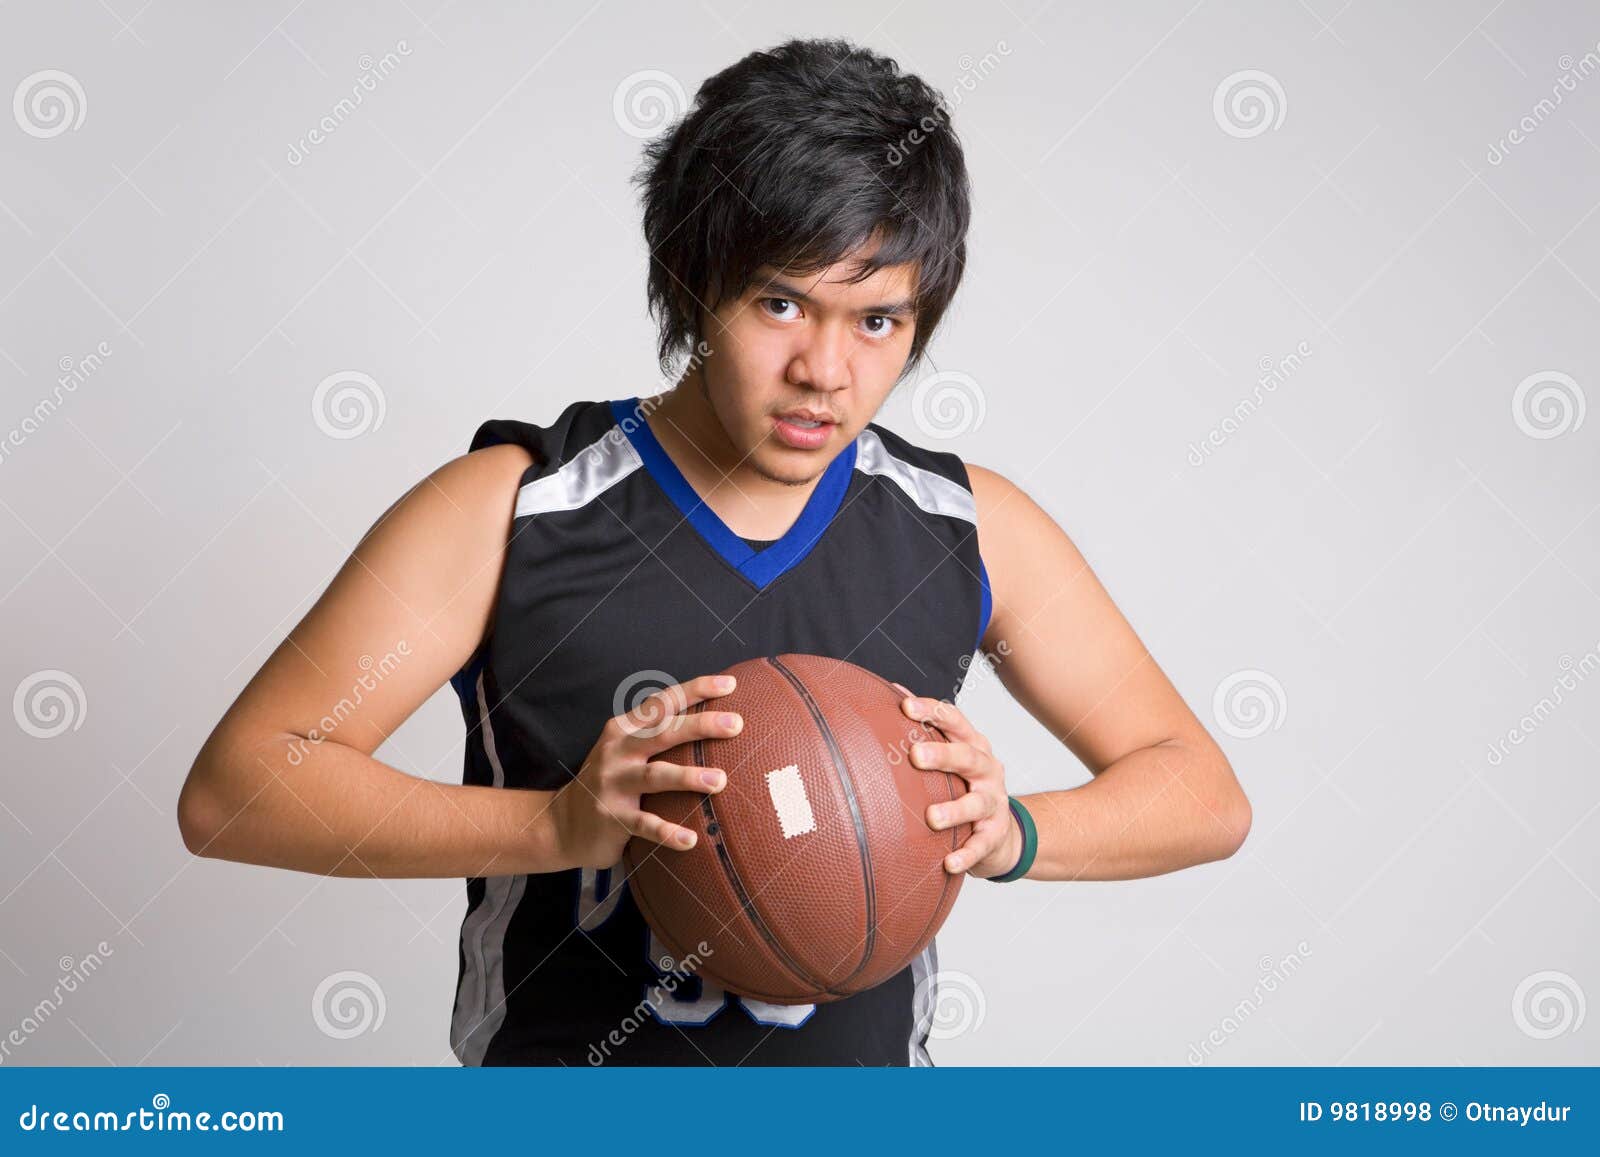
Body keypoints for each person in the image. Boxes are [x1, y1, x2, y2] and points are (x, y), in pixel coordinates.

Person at [177, 37, 1250, 1066]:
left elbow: (1200, 791)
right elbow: (235, 790)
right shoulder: (512, 508)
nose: (825, 370)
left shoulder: (964, 526)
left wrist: (1010, 829)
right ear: (695, 284)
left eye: (876, 321)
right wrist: (553, 824)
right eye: (780, 303)